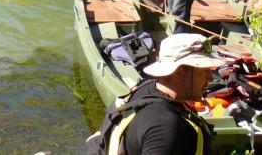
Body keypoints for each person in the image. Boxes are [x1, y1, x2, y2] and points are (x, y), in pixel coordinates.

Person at [88, 34, 219, 154]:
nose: (211, 78)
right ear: (179, 72)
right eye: (204, 71)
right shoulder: (165, 127)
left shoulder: (146, 87)